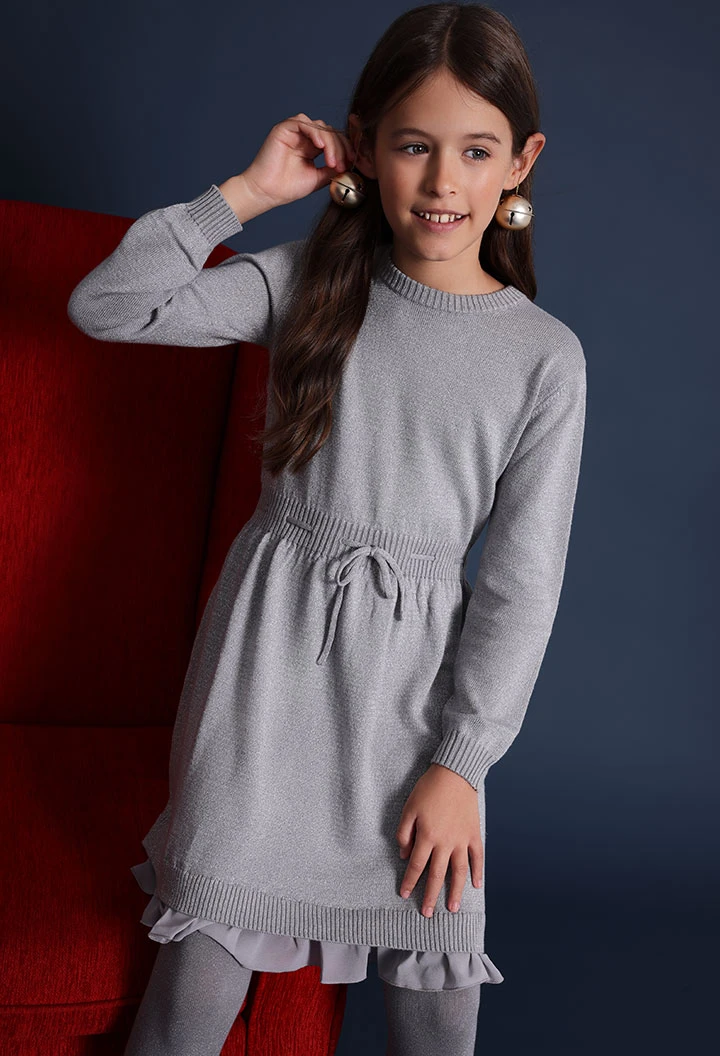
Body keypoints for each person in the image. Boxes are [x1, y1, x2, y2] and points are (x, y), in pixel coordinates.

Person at [67, 4, 587, 1053]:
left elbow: (522, 587)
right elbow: (109, 306)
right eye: (413, 146)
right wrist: (247, 194)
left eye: (475, 151)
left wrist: (462, 762)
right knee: (194, 981)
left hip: (417, 706)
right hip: (263, 686)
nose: (443, 182)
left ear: (520, 164)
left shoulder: (543, 359)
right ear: (363, 147)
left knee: (435, 992)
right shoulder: (309, 280)